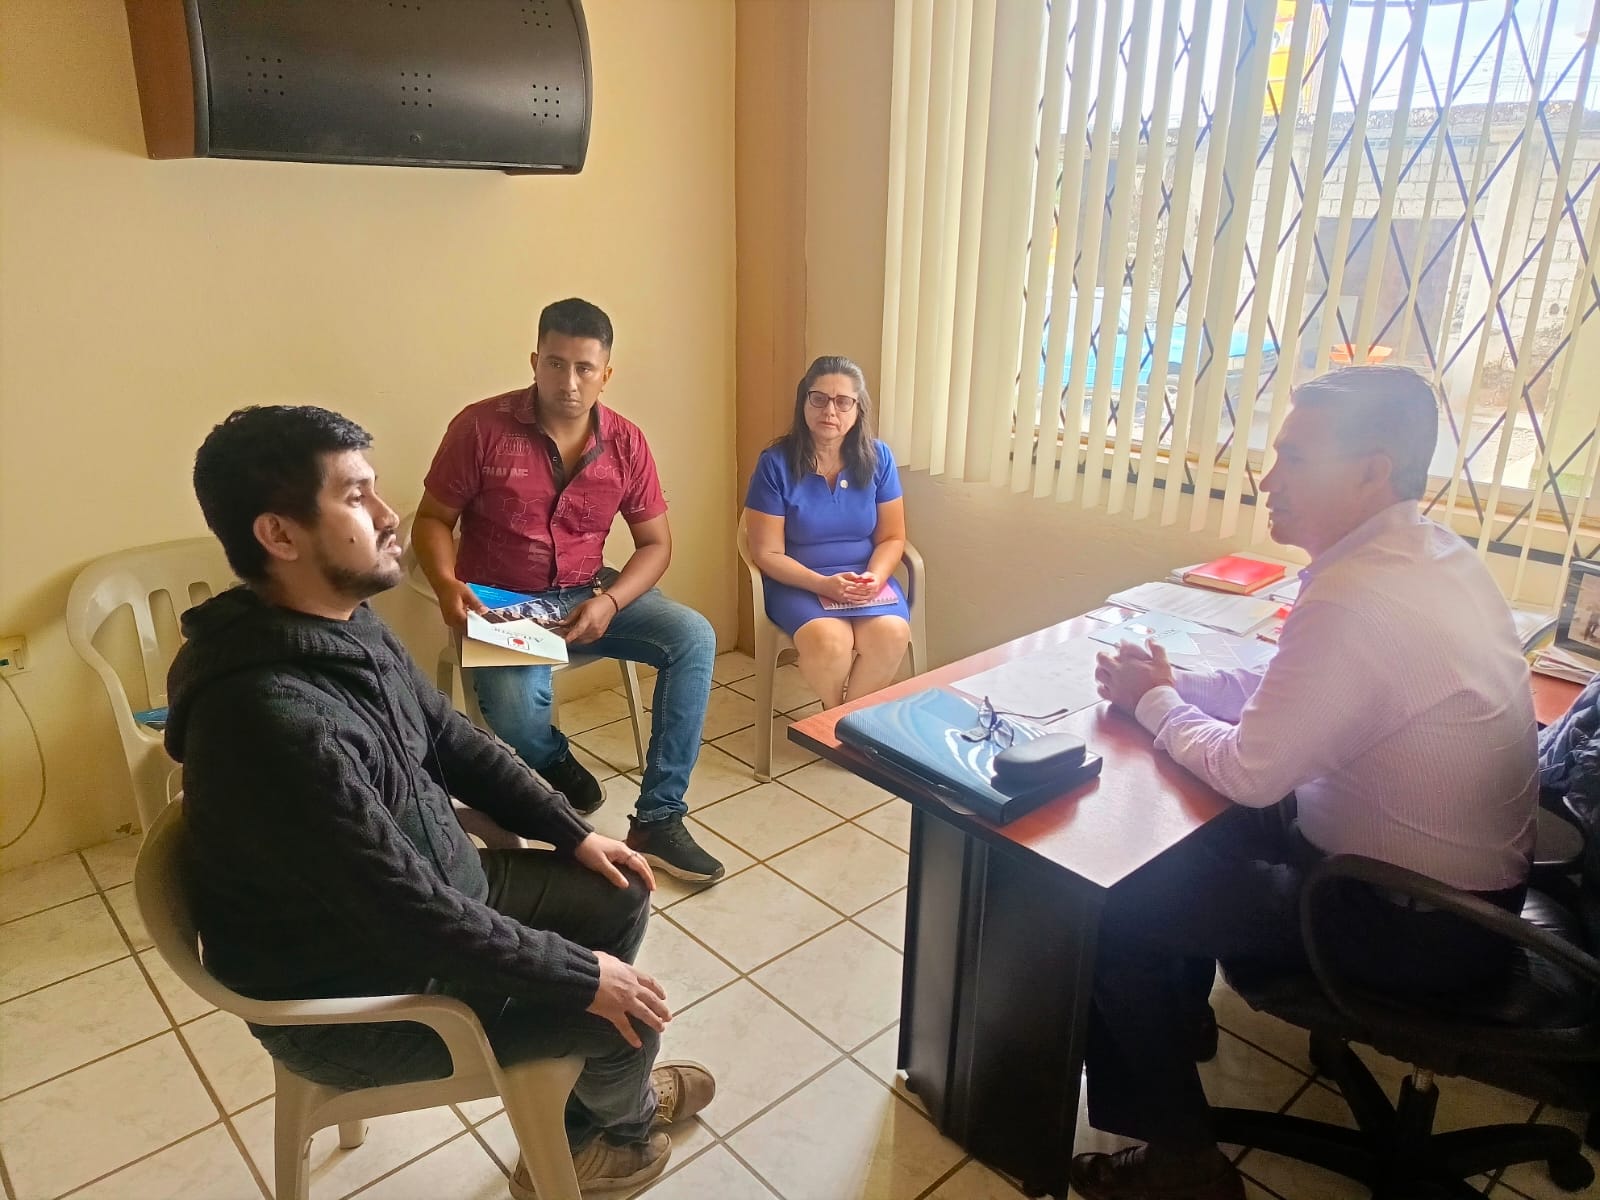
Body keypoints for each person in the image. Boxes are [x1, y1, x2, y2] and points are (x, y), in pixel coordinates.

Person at [167, 405, 714, 1196]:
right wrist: (578, 979)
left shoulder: (340, 623)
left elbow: (455, 741)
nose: (390, 515)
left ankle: (591, 1098)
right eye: (356, 496)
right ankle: (611, 1135)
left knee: (618, 885)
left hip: (427, 899)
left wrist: (571, 833)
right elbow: (411, 918)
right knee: (620, 1017)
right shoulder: (273, 719)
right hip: (362, 997)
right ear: (279, 536)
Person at [1080, 365, 1538, 1200]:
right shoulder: (1428, 556)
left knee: (1117, 902)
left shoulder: (1363, 593)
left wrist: (1152, 702)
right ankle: (1178, 1024)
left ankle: (1183, 1163)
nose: (1269, 478)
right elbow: (1289, 690)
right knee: (1178, 837)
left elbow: (1251, 772)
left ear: (1373, 470)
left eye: (1295, 457)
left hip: (1420, 924)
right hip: (1458, 896)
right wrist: (1173, 685)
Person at [414, 298, 724, 883]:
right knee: (514, 711)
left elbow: (656, 544)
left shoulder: (627, 443)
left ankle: (659, 818)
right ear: (535, 361)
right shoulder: (479, 428)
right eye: (556, 364)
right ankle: (555, 760)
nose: (570, 382)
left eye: (585, 368)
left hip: (589, 590)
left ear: (606, 373)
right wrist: (447, 584)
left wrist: (610, 601)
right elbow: (432, 519)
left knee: (694, 637)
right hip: (500, 601)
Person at [743, 356, 911, 708]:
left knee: (892, 634)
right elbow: (767, 553)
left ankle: (845, 722)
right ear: (803, 402)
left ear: (858, 408)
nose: (830, 411)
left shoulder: (879, 457)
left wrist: (875, 578)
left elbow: (892, 537)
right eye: (818, 399)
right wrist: (822, 584)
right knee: (830, 643)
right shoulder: (775, 463)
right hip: (799, 582)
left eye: (843, 401)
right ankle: (833, 717)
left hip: (865, 581)